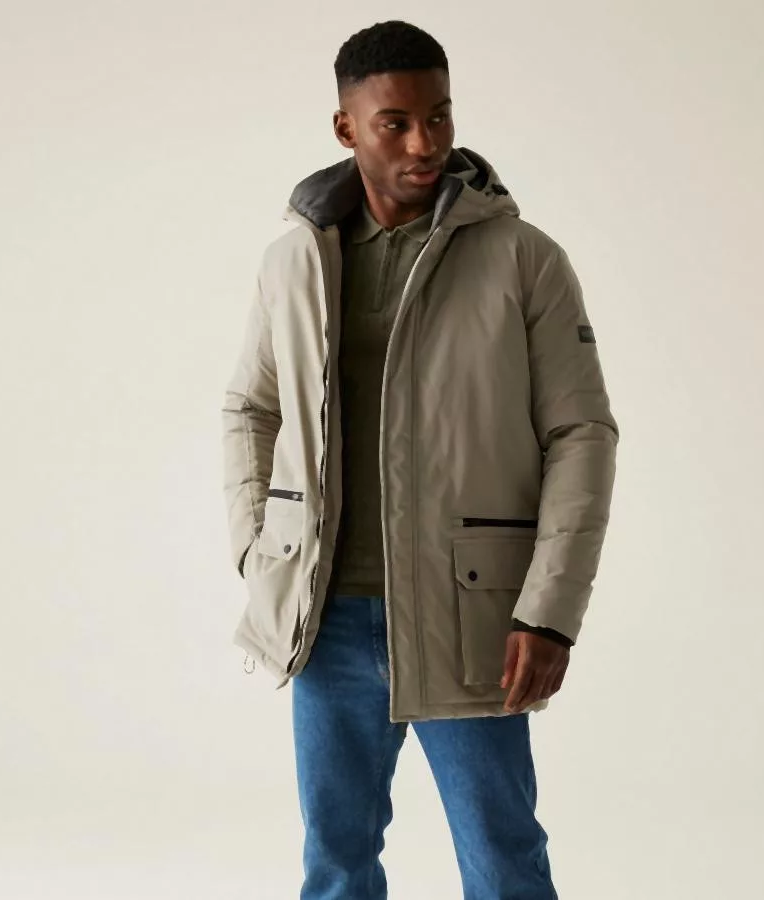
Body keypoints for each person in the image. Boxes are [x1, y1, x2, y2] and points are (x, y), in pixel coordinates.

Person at [220, 19, 619, 900]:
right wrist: (260, 548)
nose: (424, 143)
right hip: (325, 618)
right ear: (346, 128)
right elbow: (250, 407)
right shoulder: (295, 260)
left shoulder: (523, 259)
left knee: (503, 861)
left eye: (439, 117)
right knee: (336, 864)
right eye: (395, 123)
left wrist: (550, 612)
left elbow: (582, 435)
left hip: (470, 616)